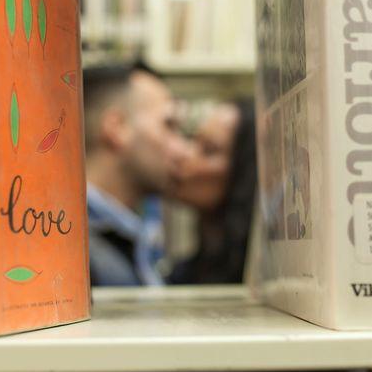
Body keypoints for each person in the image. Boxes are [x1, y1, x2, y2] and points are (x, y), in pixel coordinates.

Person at [83, 64, 190, 287]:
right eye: (169, 125)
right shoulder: (76, 256)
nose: (182, 150)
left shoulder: (135, 235)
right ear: (117, 128)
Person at [168, 100, 257, 284]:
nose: (184, 154)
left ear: (243, 171)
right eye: (192, 139)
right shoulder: (184, 272)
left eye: (208, 150)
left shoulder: (253, 278)